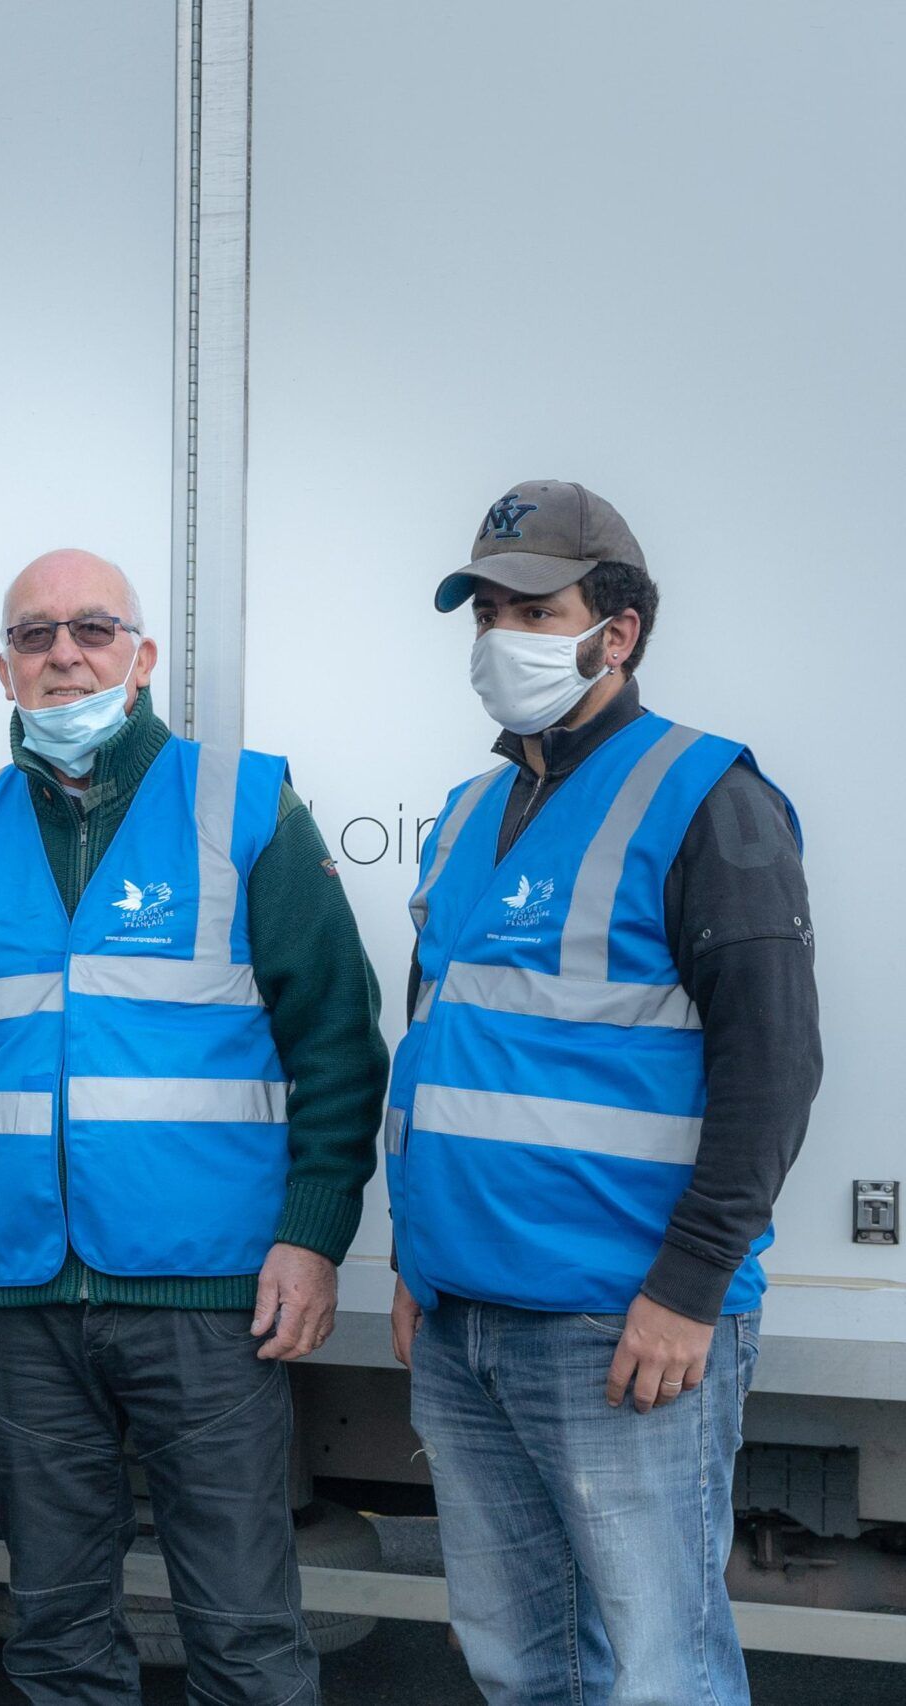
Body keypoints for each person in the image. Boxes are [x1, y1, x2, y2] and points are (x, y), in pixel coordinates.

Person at [0, 550, 389, 1705]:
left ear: (142, 656)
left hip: (208, 1297)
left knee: (243, 1630)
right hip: (17, 1297)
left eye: (92, 629)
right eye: (34, 634)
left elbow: (337, 1041)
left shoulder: (241, 806)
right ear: (3, 668)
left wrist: (310, 1235)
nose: (64, 654)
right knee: (54, 1633)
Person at [387, 481, 818, 1706]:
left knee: (656, 1671)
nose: (498, 635)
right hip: (463, 1319)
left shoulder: (707, 796)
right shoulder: (469, 813)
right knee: (520, 1666)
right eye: (486, 610)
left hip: (622, 1328)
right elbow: (439, 1055)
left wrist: (686, 1289)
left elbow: (773, 1064)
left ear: (615, 631)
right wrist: (417, 1260)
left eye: (533, 609)